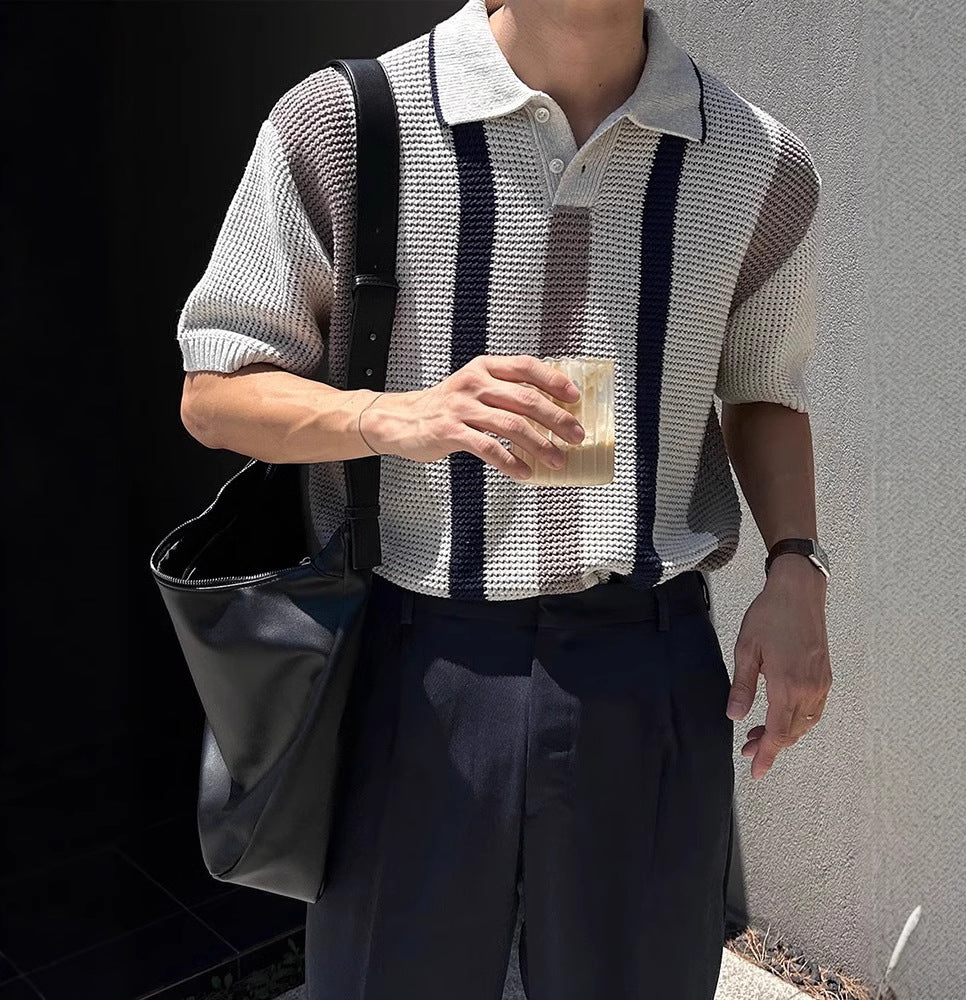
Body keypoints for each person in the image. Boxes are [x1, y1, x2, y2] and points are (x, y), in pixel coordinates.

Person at [175, 0, 833, 996]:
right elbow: (216, 391)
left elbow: (764, 392)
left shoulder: (758, 163)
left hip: (645, 665)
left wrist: (797, 565)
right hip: (414, 666)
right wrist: (394, 416)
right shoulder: (349, 122)